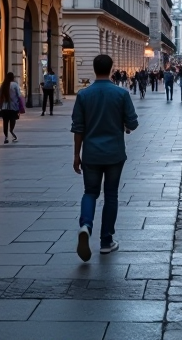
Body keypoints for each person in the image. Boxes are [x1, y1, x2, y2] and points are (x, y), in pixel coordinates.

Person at [72, 53, 139, 261]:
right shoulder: (121, 94)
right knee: (111, 195)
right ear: (111, 69)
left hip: (91, 153)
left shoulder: (83, 95)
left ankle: (85, 225)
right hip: (114, 153)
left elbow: (78, 128)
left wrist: (76, 154)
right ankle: (106, 241)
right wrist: (125, 127)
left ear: (94, 69)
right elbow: (133, 123)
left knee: (90, 192)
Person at [0, 71, 21, 143]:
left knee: (5, 122)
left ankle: (6, 136)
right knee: (13, 120)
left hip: (4, 107)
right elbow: (19, 95)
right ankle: (11, 130)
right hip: (13, 107)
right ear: (12, 77)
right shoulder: (15, 85)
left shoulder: (2, 85)